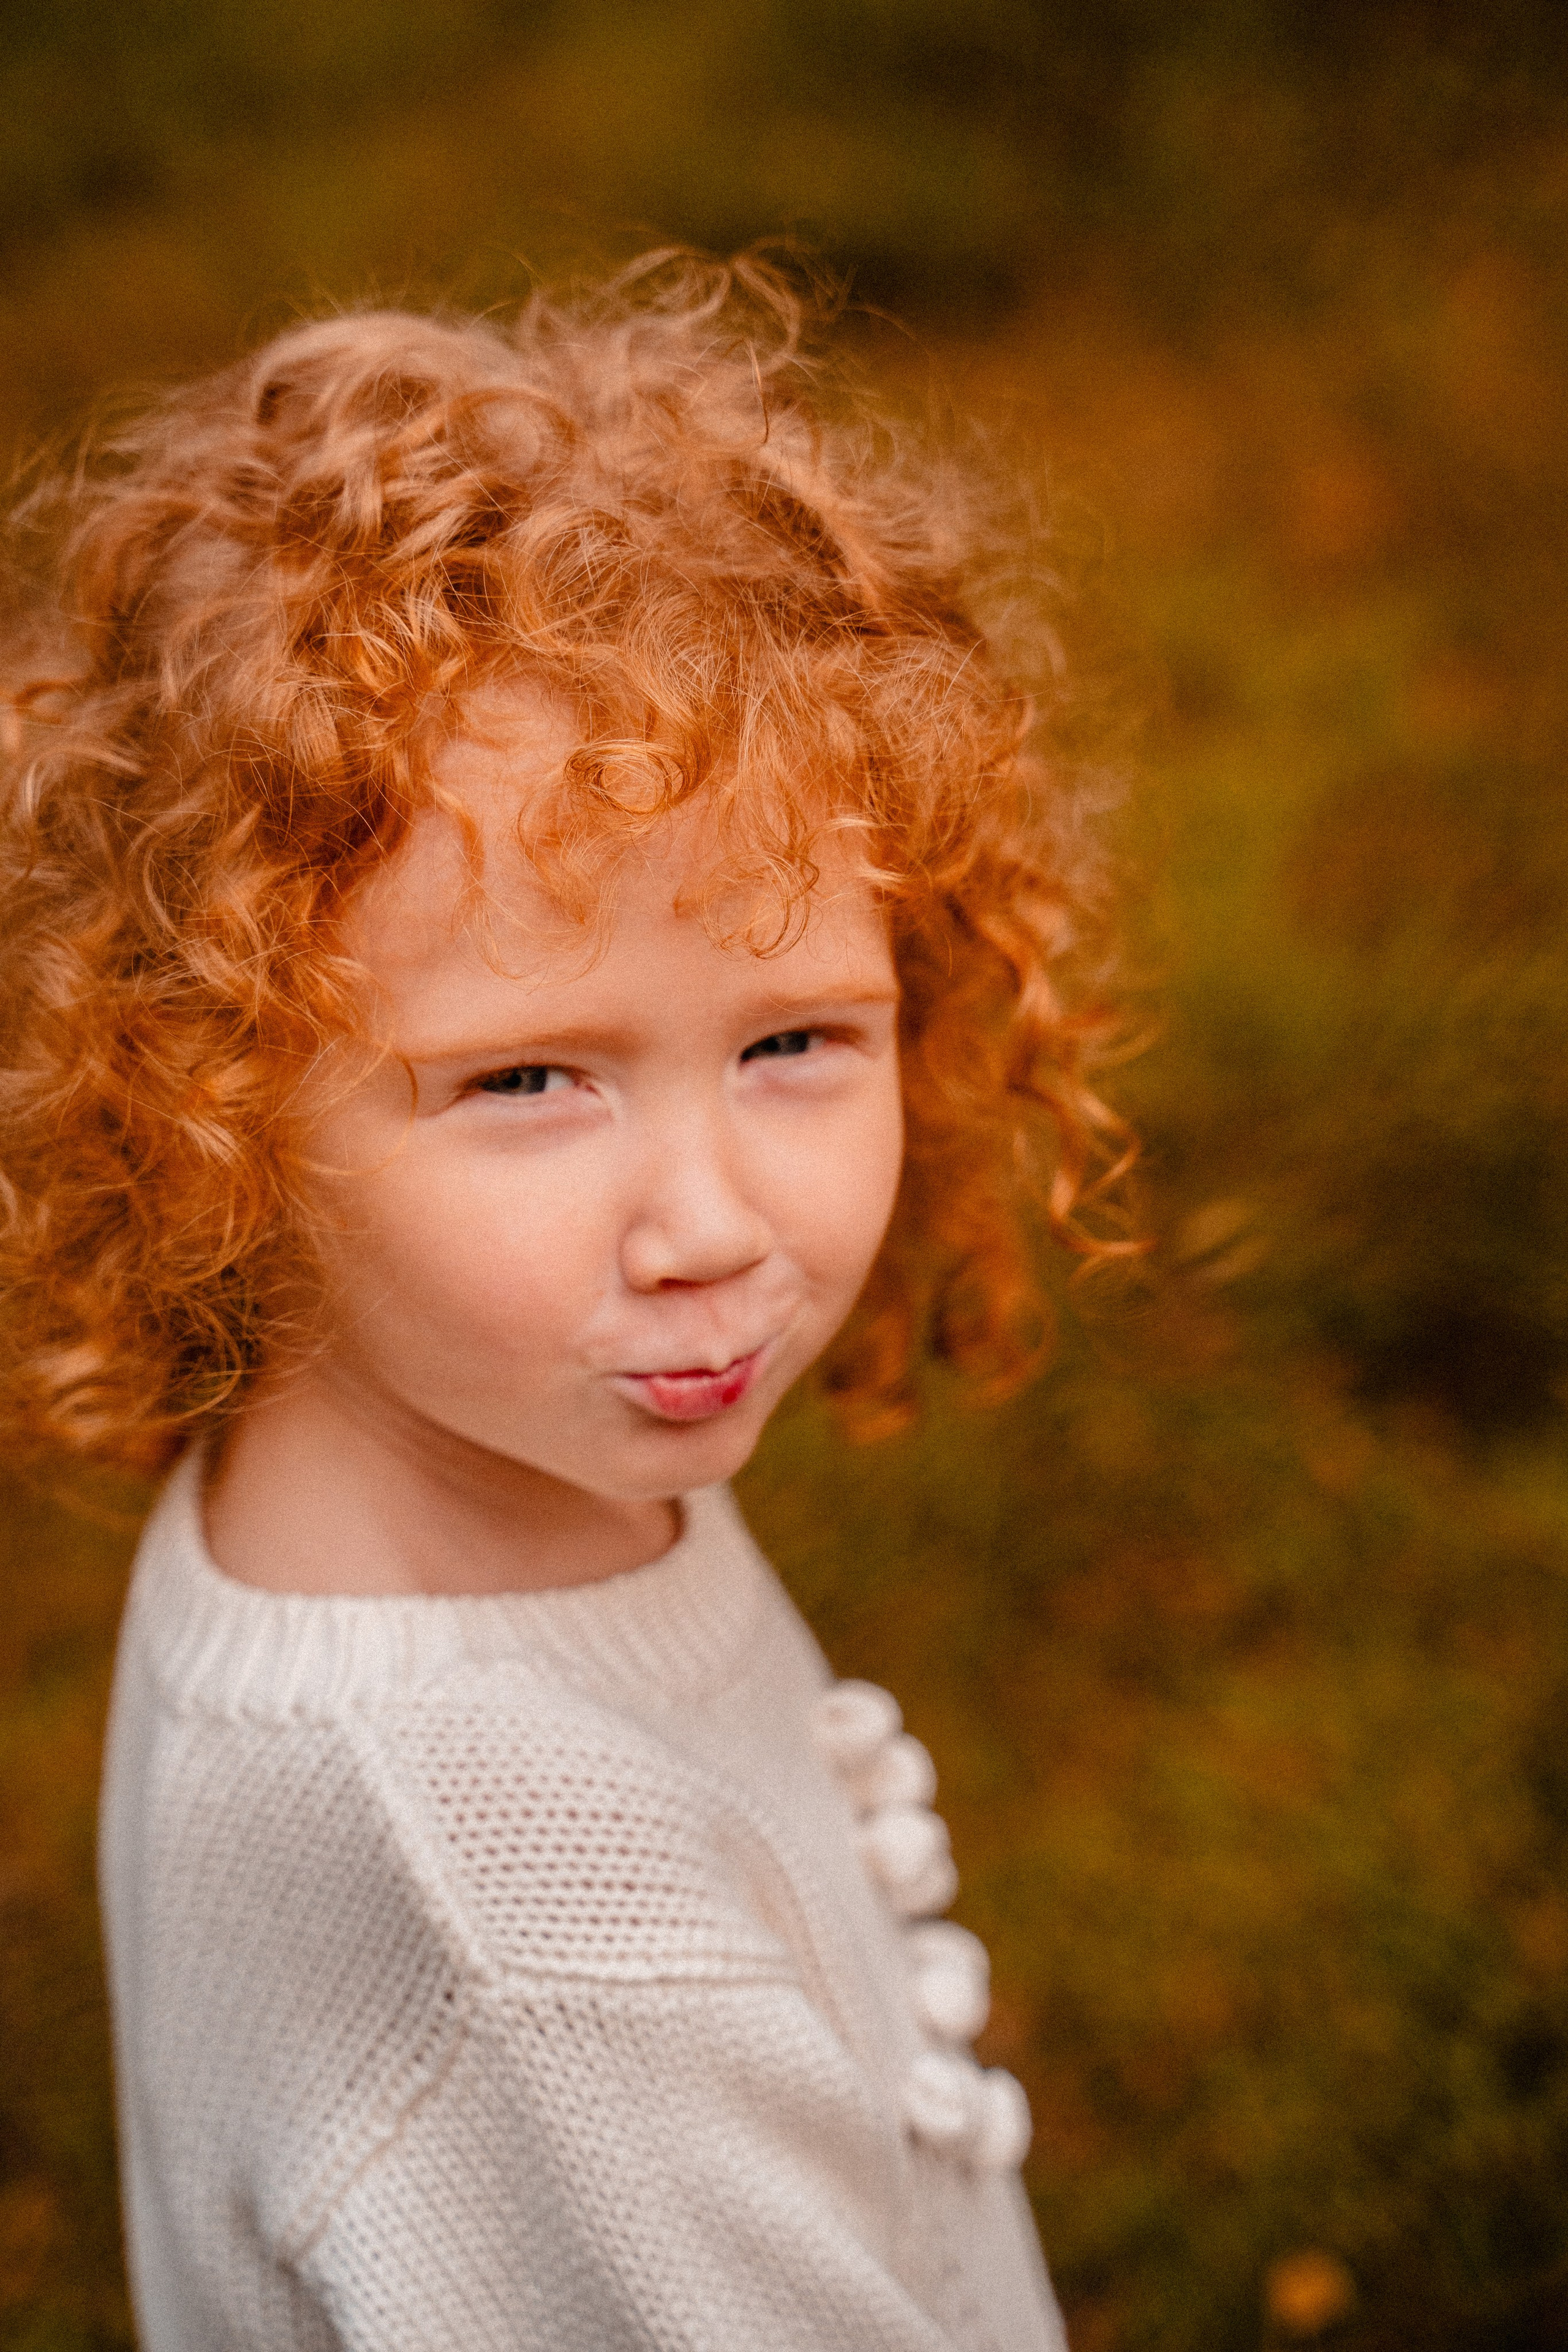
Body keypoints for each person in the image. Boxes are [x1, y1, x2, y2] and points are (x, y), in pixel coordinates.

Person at [0, 254, 1134, 2350]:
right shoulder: (542, 1957)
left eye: (797, 1041)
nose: (707, 1220)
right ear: (210, 1095)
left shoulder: (420, 1456)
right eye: (530, 1079)